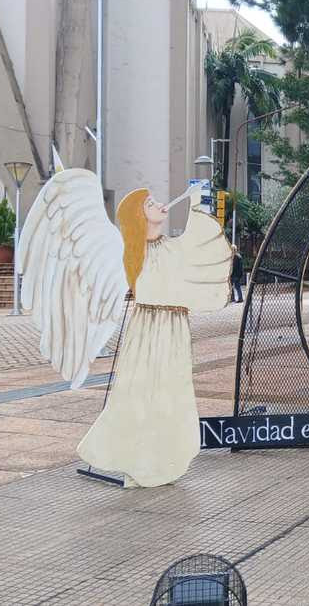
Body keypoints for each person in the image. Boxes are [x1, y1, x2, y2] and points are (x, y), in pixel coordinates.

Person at [77, 186, 232, 487]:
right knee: (140, 393)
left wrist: (197, 204)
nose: (160, 205)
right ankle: (134, 461)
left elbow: (201, 249)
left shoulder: (170, 247)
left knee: (171, 395)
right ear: (138, 215)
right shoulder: (134, 254)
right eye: (150, 203)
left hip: (173, 329)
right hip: (147, 330)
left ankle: (162, 460)